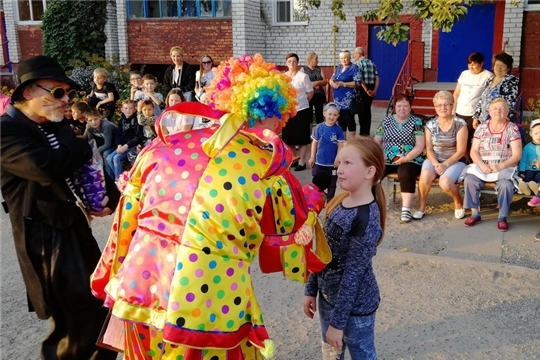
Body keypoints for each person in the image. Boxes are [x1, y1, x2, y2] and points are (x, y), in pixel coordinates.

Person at [90, 53, 313, 359]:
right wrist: (311, 205)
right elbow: (287, 249)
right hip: (207, 304)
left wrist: (108, 276)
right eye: (282, 117)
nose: (282, 126)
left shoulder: (166, 145)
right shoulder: (269, 167)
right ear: (270, 113)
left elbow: (124, 224)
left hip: (141, 287)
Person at [0, 55, 117, 360]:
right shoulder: (6, 131)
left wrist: (108, 198)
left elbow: (87, 168)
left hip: (77, 229)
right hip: (45, 241)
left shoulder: (59, 126)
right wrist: (80, 144)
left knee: (103, 313)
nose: (66, 100)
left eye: (68, 93)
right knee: (77, 325)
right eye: (57, 93)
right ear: (28, 92)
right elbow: (43, 168)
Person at [303, 136, 386, 360]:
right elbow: (321, 251)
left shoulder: (366, 218)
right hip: (328, 299)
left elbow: (353, 275)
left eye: (348, 163)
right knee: (330, 353)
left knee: (362, 354)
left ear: (370, 172)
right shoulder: (338, 202)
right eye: (339, 163)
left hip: (356, 309)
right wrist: (311, 290)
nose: (339, 169)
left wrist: (337, 325)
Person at [463, 98, 522, 231]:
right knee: (470, 180)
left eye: (502, 108)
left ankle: (502, 217)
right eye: (495, 108)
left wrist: (500, 166)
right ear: (489, 111)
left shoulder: (512, 128)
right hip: (484, 167)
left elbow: (517, 155)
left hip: (504, 168)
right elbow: (474, 151)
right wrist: (482, 166)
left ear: (507, 111)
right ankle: (475, 214)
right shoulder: (482, 128)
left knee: (506, 185)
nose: (498, 111)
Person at [413, 91, 468, 220]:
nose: (443, 108)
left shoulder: (460, 124)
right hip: (435, 159)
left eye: (446, 104)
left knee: (445, 183)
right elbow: (429, 149)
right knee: (425, 175)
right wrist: (436, 164)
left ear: (452, 105)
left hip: (455, 160)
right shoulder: (430, 125)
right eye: (439, 105)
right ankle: (421, 206)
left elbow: (461, 151)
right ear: (435, 107)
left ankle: (458, 201)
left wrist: (445, 165)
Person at [374, 94, 426, 223]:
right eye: (399, 106)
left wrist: (406, 157)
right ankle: (371, 205)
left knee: (405, 172)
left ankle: (406, 209)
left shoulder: (416, 122)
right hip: (387, 157)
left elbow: (420, 145)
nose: (402, 108)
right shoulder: (386, 121)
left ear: (410, 107)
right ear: (394, 107)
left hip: (411, 158)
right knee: (374, 172)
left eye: (405, 106)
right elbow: (376, 141)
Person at [452, 52, 493, 159]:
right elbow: (456, 93)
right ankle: (460, 162)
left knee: (469, 140)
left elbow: (486, 98)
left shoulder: (488, 76)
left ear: (481, 63)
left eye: (474, 64)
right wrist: (453, 110)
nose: (471, 67)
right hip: (459, 112)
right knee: (458, 139)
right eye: (469, 64)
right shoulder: (464, 74)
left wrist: (478, 116)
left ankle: (470, 163)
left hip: (473, 115)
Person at [281, 52, 314, 171]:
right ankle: (294, 159)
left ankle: (302, 161)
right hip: (288, 111)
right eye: (289, 61)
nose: (292, 64)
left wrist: (301, 102)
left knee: (302, 138)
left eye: (294, 61)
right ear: (286, 63)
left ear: (297, 63)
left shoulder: (303, 76)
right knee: (288, 137)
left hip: (301, 111)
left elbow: (310, 93)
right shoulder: (283, 77)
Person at [472, 52, 519, 129]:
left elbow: (510, 103)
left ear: (508, 68)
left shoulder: (511, 81)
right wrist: (476, 117)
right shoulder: (491, 79)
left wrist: (502, 120)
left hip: (498, 121)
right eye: (497, 65)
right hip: (484, 120)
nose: (498, 68)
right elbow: (482, 99)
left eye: (502, 66)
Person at [308, 102, 345, 201]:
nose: (332, 117)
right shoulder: (319, 127)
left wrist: (338, 159)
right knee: (316, 180)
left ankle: (329, 202)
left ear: (338, 116)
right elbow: (314, 143)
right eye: (330, 114)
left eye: (335, 115)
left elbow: (341, 145)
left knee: (332, 184)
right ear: (324, 113)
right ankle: (317, 199)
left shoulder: (338, 130)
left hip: (332, 163)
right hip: (319, 161)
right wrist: (312, 157)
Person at [104, 99, 142, 180]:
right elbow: (118, 135)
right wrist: (119, 145)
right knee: (109, 158)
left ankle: (119, 181)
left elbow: (138, 137)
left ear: (134, 109)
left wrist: (126, 145)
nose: (128, 110)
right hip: (122, 146)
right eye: (126, 108)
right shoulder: (122, 119)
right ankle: (116, 179)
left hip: (131, 146)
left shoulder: (136, 120)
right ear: (122, 109)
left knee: (116, 158)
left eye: (130, 108)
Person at [329, 50, 361, 139]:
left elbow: (358, 83)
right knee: (340, 119)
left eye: (346, 58)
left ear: (350, 58)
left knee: (349, 119)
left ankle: (352, 140)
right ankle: (343, 140)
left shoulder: (354, 67)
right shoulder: (339, 67)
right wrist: (333, 84)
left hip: (348, 100)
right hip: (338, 99)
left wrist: (343, 84)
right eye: (342, 58)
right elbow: (332, 79)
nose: (344, 60)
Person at [353, 46, 380, 136]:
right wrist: (375, 89)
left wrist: (366, 89)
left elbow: (359, 78)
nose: (354, 56)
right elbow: (377, 77)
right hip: (371, 86)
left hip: (362, 87)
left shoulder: (357, 63)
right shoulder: (371, 63)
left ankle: (362, 133)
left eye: (354, 54)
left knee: (361, 110)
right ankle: (366, 132)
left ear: (358, 54)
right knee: (367, 110)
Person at [517, 118, 540, 206]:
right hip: (529, 169)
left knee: (538, 177)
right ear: (531, 134)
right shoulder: (527, 147)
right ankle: (526, 189)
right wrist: (522, 171)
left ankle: (536, 188)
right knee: (528, 177)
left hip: (539, 170)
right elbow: (523, 160)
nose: (539, 136)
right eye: (536, 133)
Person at [303, 52, 328, 125]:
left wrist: (317, 83)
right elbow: (301, 82)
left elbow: (325, 81)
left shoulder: (319, 68)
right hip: (308, 95)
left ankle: (320, 133)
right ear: (310, 59)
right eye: (316, 59)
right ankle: (309, 134)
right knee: (309, 115)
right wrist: (311, 85)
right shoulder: (304, 69)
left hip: (319, 94)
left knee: (319, 114)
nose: (317, 60)